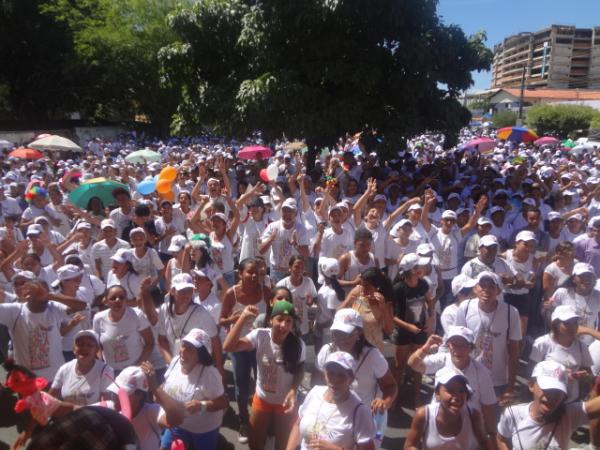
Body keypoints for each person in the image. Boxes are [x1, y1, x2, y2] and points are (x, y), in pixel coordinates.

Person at [224, 300, 305, 450]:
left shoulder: (298, 344)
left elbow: (300, 369)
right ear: (270, 320)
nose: (284, 325)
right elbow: (228, 346)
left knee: (282, 446)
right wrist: (243, 317)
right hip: (262, 398)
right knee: (254, 443)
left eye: (289, 321)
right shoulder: (260, 335)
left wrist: (293, 390)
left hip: (284, 403)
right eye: (279, 319)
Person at [316, 309, 397, 448]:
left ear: (359, 333)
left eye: (346, 334)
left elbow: (391, 386)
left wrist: (384, 402)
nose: (340, 339)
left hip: (368, 419)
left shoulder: (372, 356)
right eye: (336, 333)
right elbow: (319, 385)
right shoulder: (326, 352)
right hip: (335, 417)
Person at [407, 326, 497, 437]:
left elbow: (488, 407)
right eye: (454, 344)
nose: (458, 350)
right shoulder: (442, 360)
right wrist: (426, 347)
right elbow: (413, 364)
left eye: (463, 345)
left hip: (468, 428)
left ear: (471, 348)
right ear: (448, 346)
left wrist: (491, 435)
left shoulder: (481, 372)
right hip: (438, 424)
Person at [220, 258, 271, 442]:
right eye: (250, 272)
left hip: (261, 347)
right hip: (238, 347)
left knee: (262, 383)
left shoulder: (266, 291)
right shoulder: (230, 294)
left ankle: (262, 420)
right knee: (241, 387)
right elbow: (221, 320)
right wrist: (233, 320)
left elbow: (272, 315)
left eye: (257, 272)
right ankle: (243, 422)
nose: (254, 275)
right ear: (239, 274)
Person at [0, 272, 86, 380]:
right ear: (27, 295)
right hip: (27, 379)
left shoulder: (53, 307)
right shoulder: (15, 311)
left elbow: (82, 305)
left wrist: (50, 296)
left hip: (55, 377)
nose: (41, 296)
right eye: (37, 293)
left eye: (44, 291)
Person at [497, 360, 600, 450]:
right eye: (546, 389)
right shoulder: (512, 414)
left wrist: (594, 380)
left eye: (558, 391)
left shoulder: (569, 415)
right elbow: (501, 439)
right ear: (531, 385)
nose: (552, 396)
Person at [454, 271, 521, 405]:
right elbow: (457, 343)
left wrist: (510, 387)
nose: (486, 290)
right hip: (468, 375)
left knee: (492, 419)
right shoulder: (465, 308)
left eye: (491, 286)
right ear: (475, 288)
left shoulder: (511, 312)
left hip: (498, 380)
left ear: (499, 291)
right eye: (482, 285)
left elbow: (514, 351)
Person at [286, 351, 376, 450]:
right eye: (331, 373)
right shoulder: (315, 393)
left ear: (351, 378)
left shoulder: (359, 411)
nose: (335, 379)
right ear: (324, 375)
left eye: (341, 375)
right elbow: (298, 425)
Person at [155, 328, 228, 450]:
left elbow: (223, 402)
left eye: (190, 349)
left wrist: (201, 405)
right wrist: (159, 392)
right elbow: (166, 383)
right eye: (183, 345)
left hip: (204, 430)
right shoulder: (175, 362)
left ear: (201, 355)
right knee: (165, 447)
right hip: (177, 424)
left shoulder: (209, 374)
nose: (183, 351)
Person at [404, 367, 494, 450]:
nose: (457, 396)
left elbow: (484, 442)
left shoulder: (473, 415)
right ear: (437, 394)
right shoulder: (423, 414)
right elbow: (409, 446)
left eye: (461, 391)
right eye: (450, 391)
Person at [155, 273, 222, 370]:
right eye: (182, 290)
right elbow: (162, 340)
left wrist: (219, 370)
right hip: (174, 367)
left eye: (189, 290)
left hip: (197, 368)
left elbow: (215, 342)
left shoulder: (202, 314)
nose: (186, 294)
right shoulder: (164, 310)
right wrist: (172, 364)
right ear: (173, 291)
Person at [391, 253, 434, 402]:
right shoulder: (398, 289)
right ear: (411, 270)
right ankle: (394, 398)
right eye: (419, 266)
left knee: (418, 366)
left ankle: (417, 397)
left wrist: (430, 316)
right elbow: (392, 316)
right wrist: (408, 326)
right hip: (403, 332)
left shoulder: (423, 284)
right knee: (399, 367)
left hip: (419, 331)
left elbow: (430, 300)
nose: (423, 268)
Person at [530, 305, 593, 403]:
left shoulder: (581, 346)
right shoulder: (542, 344)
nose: (572, 327)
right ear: (556, 325)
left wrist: (584, 377)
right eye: (567, 323)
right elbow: (531, 375)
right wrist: (561, 375)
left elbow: (589, 375)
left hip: (572, 401)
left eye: (575, 323)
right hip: (548, 401)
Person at [92, 285, 154, 373]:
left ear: (126, 300)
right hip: (111, 370)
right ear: (106, 301)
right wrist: (101, 364)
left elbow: (150, 343)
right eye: (113, 298)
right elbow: (97, 346)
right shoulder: (98, 318)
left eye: (121, 297)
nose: (118, 300)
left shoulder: (137, 315)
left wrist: (137, 366)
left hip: (136, 368)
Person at [50, 329, 114, 406]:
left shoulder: (105, 371)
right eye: (80, 344)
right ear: (74, 349)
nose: (84, 348)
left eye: (90, 345)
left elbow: (106, 404)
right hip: (67, 416)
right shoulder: (65, 368)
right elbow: (51, 397)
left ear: (96, 350)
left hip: (93, 416)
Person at [106, 365, 162, 450]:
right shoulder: (108, 409)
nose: (116, 396)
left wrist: (156, 389)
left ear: (139, 395)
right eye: (115, 392)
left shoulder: (153, 411)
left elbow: (175, 418)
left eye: (123, 393)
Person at [340, 267, 394, 353]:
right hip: (353, 347)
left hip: (373, 349)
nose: (363, 290)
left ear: (378, 287)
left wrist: (383, 308)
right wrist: (348, 303)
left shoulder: (385, 303)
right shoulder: (357, 291)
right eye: (362, 285)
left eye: (367, 287)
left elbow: (390, 331)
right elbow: (338, 314)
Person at [547, 262, 600, 345]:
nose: (586, 279)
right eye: (582, 276)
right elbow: (551, 315)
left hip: (587, 344)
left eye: (590, 276)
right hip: (562, 342)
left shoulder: (598, 296)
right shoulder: (562, 293)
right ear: (573, 279)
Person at [276, 255, 317, 339]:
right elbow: (276, 307)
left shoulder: (308, 282)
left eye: (302, 268)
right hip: (286, 329)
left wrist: (310, 301)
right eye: (296, 267)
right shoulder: (281, 285)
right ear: (290, 267)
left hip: (303, 329)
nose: (299, 270)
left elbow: (312, 300)